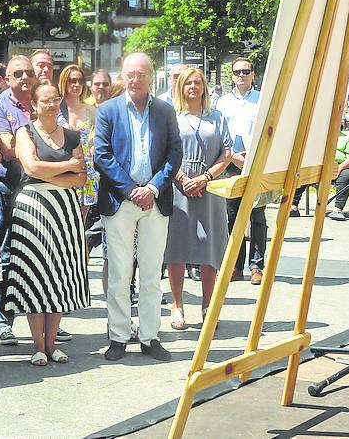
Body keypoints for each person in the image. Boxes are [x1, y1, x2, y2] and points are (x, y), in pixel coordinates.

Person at [94, 52, 182, 362]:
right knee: (119, 272)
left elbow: (175, 153)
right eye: (130, 74)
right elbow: (101, 156)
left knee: (150, 274)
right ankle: (118, 335)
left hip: (155, 201)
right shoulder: (107, 111)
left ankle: (150, 336)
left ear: (150, 76)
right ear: (122, 76)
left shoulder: (165, 111)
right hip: (121, 200)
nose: (135, 79)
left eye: (141, 74)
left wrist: (154, 187)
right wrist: (132, 190)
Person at [4, 81, 89, 365]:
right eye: (45, 101)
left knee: (58, 274)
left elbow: (82, 178)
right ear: (35, 105)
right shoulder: (24, 131)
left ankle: (52, 344)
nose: (50, 105)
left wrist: (48, 171)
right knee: (35, 272)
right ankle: (37, 345)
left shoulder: (73, 135)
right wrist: (66, 166)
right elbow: (31, 167)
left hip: (64, 208)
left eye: (55, 100)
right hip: (33, 207)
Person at [164, 68, 232, 329]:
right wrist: (182, 178)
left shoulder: (217, 117)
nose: (193, 87)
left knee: (208, 245)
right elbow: (165, 151)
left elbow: (227, 154)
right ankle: (177, 304)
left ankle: (208, 305)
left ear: (204, 87)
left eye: (197, 83)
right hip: (177, 186)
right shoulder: (172, 116)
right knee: (177, 246)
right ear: (180, 87)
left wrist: (205, 177)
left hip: (209, 187)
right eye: (188, 83)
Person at [0, 55, 35, 346]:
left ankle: (43, 316)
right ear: (7, 78)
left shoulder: (45, 99)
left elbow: (67, 141)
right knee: (7, 255)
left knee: (41, 255)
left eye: (29, 72)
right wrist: (46, 144)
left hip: (43, 189)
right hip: (10, 187)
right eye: (18, 74)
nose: (25, 78)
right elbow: (8, 150)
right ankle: (2, 320)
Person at [215, 56, 266, 284]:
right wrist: (232, 157)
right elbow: (218, 134)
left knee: (257, 216)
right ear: (232, 76)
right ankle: (235, 266)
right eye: (237, 72)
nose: (241, 76)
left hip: (255, 163)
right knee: (232, 216)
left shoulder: (263, 100)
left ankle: (257, 266)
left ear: (253, 74)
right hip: (230, 162)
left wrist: (252, 160)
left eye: (246, 71)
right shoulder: (222, 102)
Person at [292, 114, 349, 221]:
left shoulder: (347, 140)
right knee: (302, 174)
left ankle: (337, 209)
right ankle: (293, 207)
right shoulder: (320, 139)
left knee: (346, 176)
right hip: (321, 166)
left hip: (341, 166)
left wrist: (339, 168)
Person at [60, 65, 98, 220]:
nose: (76, 85)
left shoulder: (91, 110)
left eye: (80, 81)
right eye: (72, 80)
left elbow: (101, 138)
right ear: (64, 82)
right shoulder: (55, 107)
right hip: (62, 167)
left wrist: (94, 147)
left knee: (81, 220)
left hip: (86, 168)